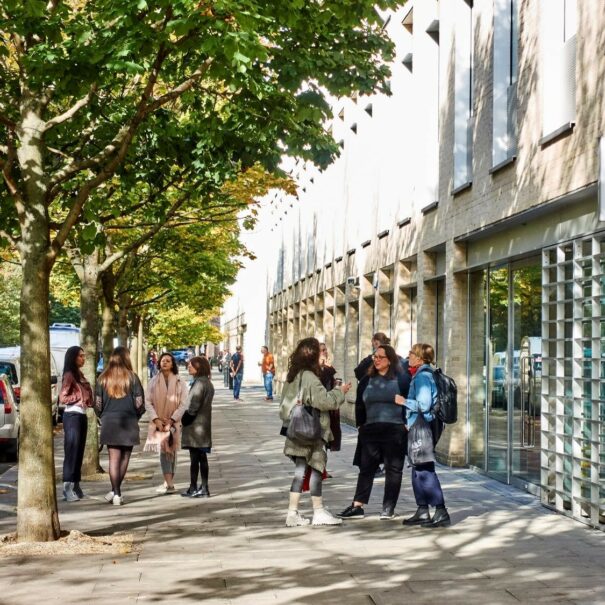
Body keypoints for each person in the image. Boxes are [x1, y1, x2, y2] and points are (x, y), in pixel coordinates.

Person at [279, 337, 351, 527]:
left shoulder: (293, 376)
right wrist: (340, 391)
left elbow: (283, 408)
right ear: (312, 355)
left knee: (300, 471)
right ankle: (318, 512)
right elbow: (325, 401)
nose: (324, 354)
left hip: (296, 431)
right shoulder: (310, 377)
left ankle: (292, 513)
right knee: (316, 470)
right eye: (321, 351)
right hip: (313, 431)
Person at [338, 344, 408, 520]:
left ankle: (388, 508)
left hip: (395, 431)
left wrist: (406, 424)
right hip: (370, 430)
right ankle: (357, 506)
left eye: (380, 357)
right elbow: (360, 404)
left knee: (394, 470)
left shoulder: (402, 379)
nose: (376, 360)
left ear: (390, 360)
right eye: (374, 357)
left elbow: (410, 401)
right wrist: (360, 425)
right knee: (366, 468)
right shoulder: (367, 379)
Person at [395, 343, 451, 528]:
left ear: (419, 358)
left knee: (424, 468)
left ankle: (440, 510)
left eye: (411, 353)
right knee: (417, 468)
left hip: (424, 427)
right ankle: (423, 510)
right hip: (419, 426)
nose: (408, 355)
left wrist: (404, 401)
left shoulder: (423, 377)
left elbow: (424, 405)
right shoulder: (421, 375)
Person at [94, 346, 145, 506]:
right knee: (125, 458)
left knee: (113, 459)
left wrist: (102, 416)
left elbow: (97, 403)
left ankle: (115, 493)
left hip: (109, 422)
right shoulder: (133, 378)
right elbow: (139, 402)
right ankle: (116, 492)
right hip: (129, 421)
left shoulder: (102, 378)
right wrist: (137, 416)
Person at [144, 352, 189, 494]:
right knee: (163, 452)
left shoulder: (179, 382)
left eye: (168, 361)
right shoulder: (153, 381)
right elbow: (147, 402)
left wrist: (172, 419)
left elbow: (184, 404)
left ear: (172, 364)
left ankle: (168, 482)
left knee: (173, 451)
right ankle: (169, 483)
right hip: (158, 422)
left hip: (174, 423)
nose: (165, 363)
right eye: (163, 360)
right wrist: (156, 419)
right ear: (159, 363)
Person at [59, 346, 94, 502]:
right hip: (72, 415)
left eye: (84, 356)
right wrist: (78, 400)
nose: (83, 358)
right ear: (73, 358)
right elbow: (63, 398)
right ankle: (67, 488)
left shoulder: (79, 374)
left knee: (79, 452)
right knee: (72, 451)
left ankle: (76, 485)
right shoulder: (69, 375)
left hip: (81, 415)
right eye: (80, 356)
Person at [181, 356, 215, 497]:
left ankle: (194, 487)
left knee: (195, 458)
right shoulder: (207, 382)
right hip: (203, 425)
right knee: (201, 457)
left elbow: (193, 406)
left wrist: (185, 418)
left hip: (196, 426)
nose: (188, 366)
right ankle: (203, 487)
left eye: (191, 365)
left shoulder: (199, 383)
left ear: (199, 367)